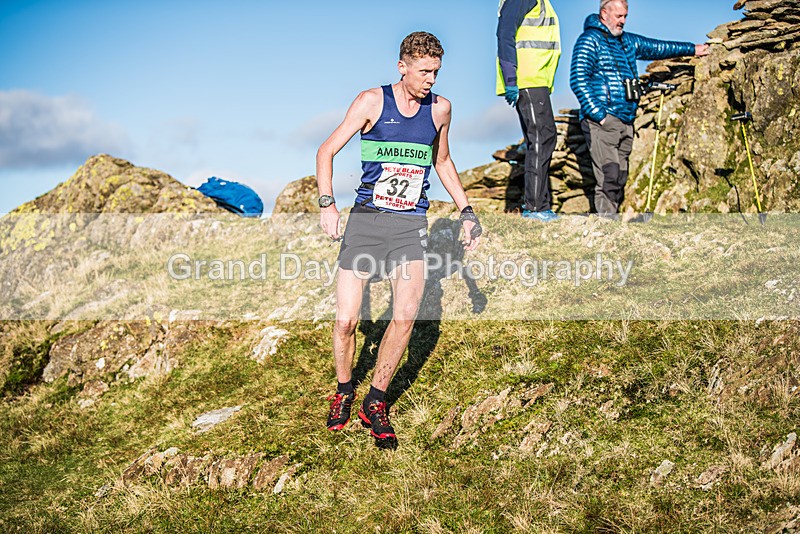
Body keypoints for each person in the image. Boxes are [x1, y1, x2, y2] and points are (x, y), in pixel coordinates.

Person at [316, 32, 482, 450]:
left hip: (410, 225)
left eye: (437, 72)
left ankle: (376, 400)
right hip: (367, 222)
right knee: (347, 321)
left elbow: (442, 160)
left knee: (405, 317)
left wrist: (466, 211)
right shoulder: (372, 102)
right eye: (424, 71)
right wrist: (326, 205)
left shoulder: (440, 109)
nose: (431, 80)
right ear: (402, 66)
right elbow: (326, 151)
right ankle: (343, 389)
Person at [570, 0, 709, 217]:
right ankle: (606, 228)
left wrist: (694, 49)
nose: (623, 21)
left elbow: (658, 47)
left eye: (625, 16)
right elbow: (578, 79)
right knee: (609, 174)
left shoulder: (628, 41)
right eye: (619, 16)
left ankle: (611, 222)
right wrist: (599, 115)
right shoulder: (589, 40)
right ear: (604, 13)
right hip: (602, 120)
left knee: (620, 176)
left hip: (626, 119)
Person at [497, 0, 562, 222]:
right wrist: (511, 79)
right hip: (528, 79)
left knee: (541, 137)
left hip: (535, 80)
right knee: (542, 137)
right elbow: (505, 33)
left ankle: (537, 205)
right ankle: (535, 208)